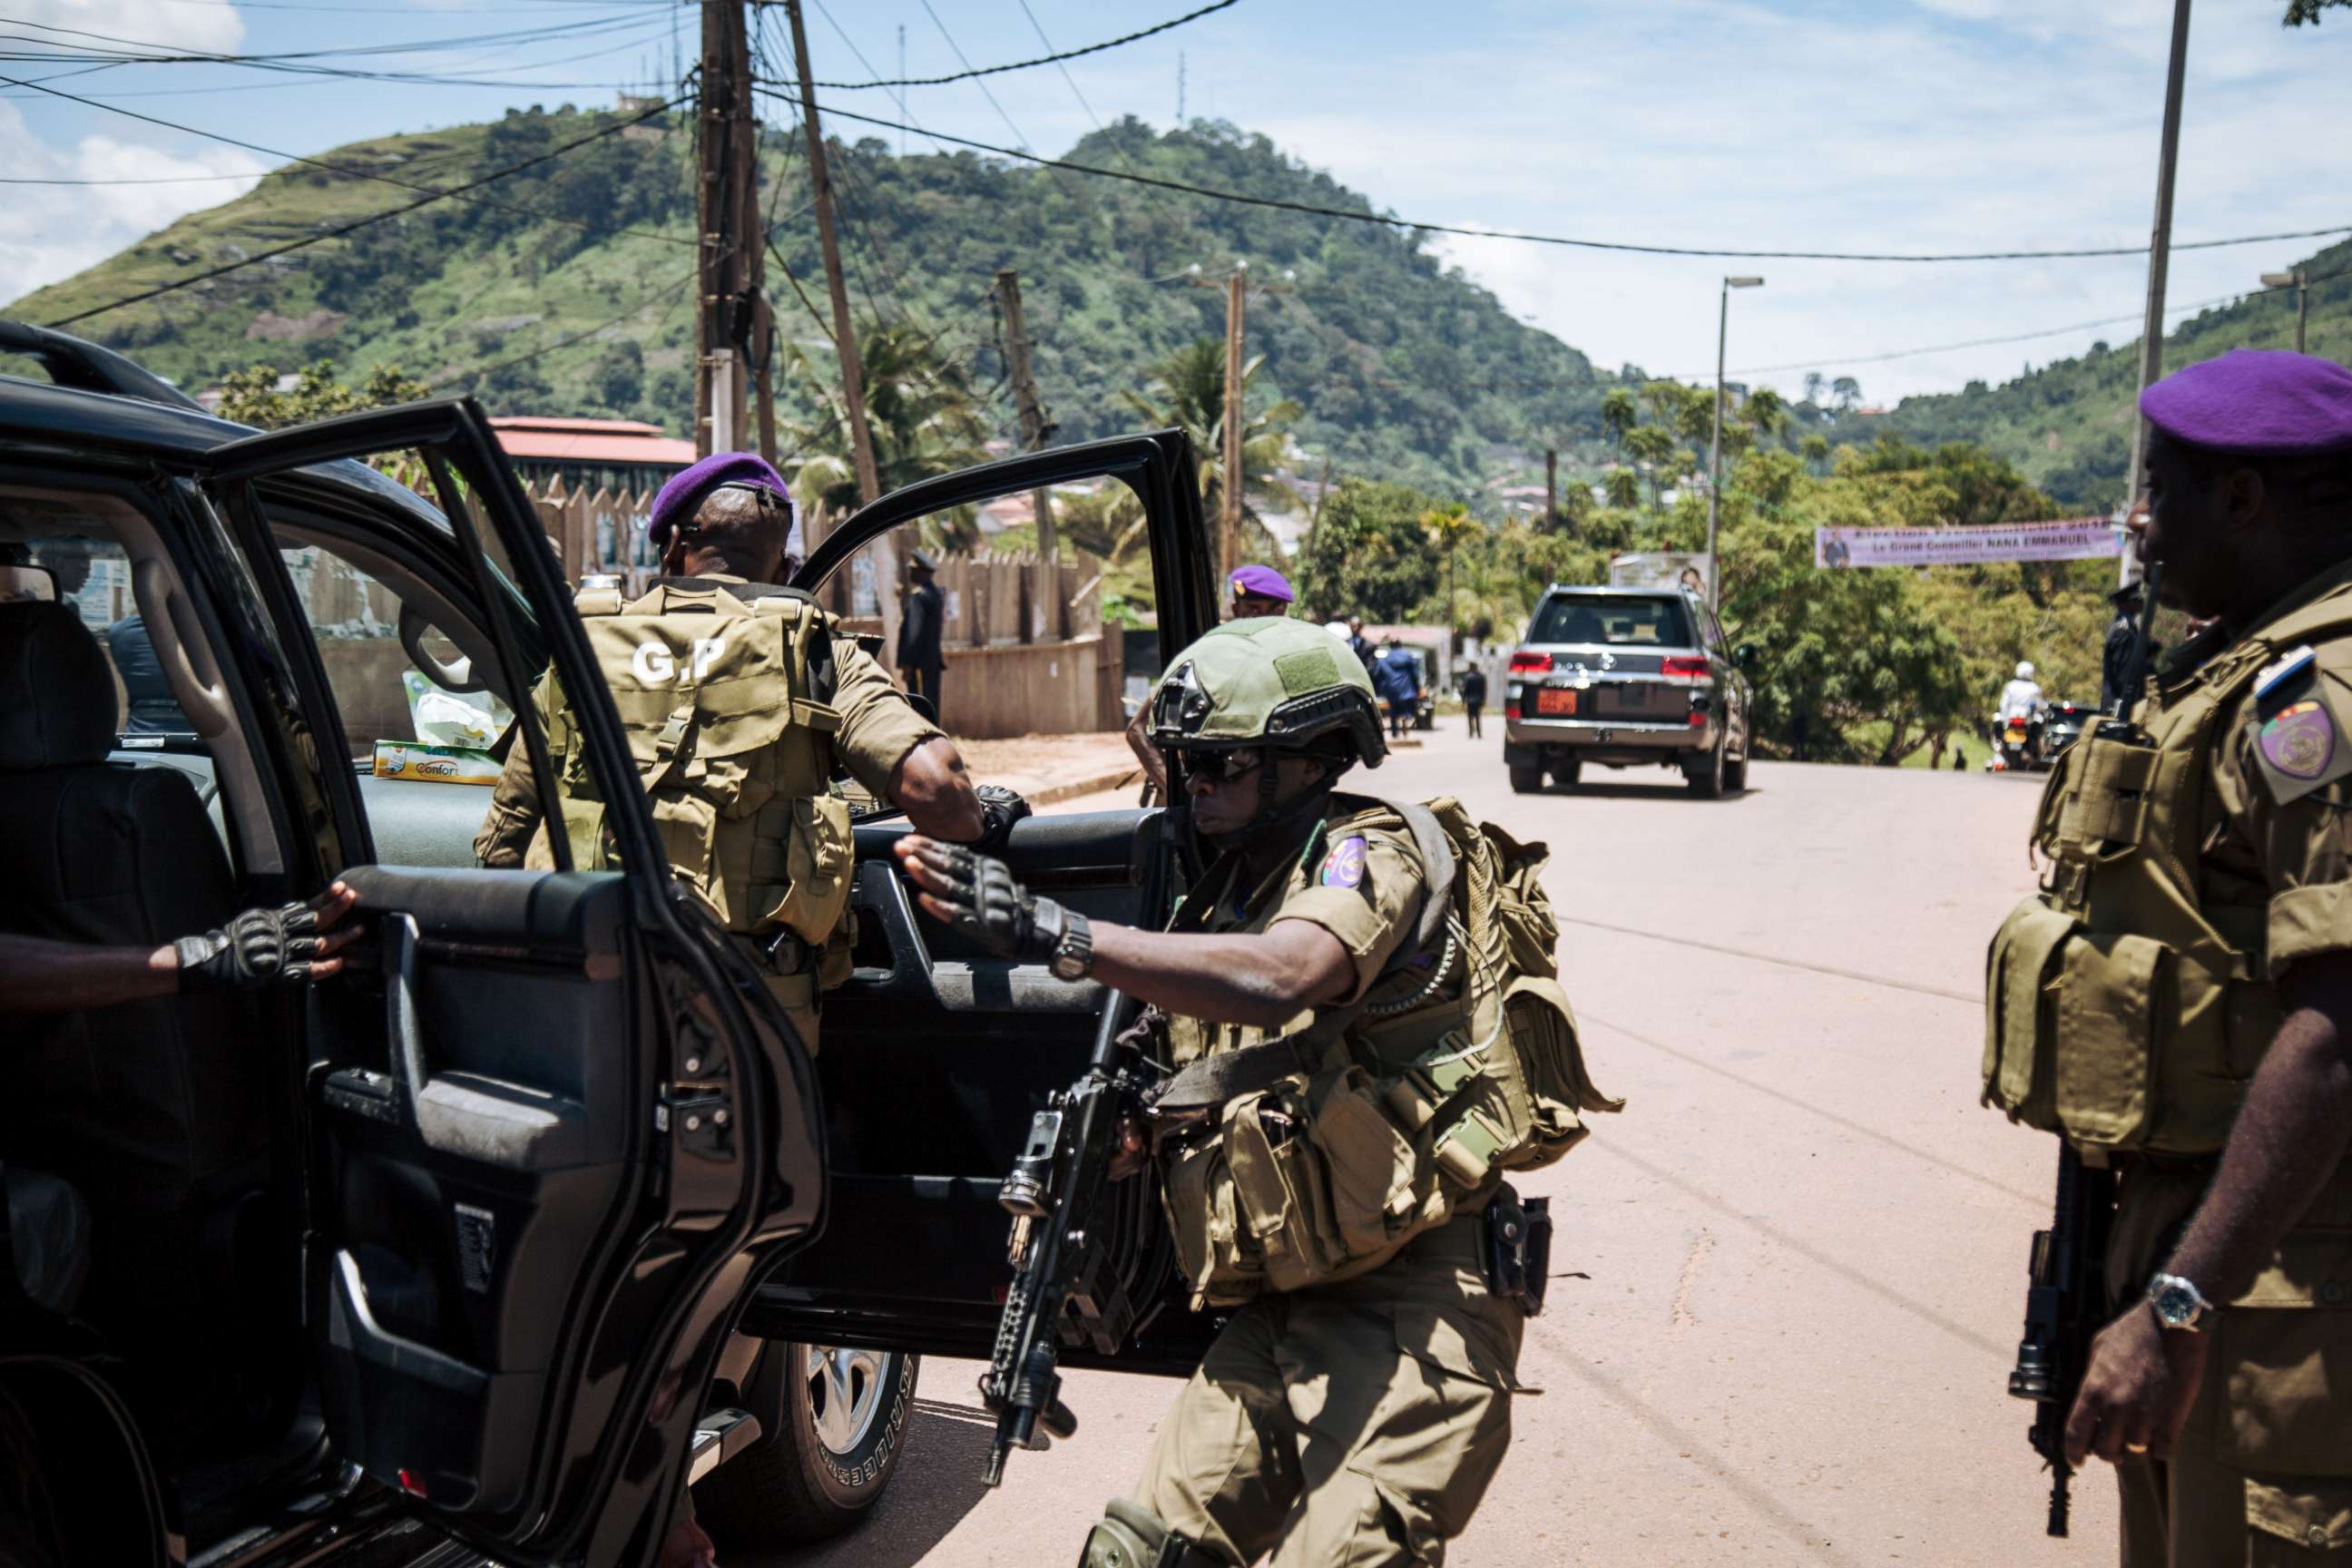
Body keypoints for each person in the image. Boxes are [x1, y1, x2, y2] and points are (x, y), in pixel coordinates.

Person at [892, 618, 1526, 1567]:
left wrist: (1058, 933)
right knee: (1135, 1557)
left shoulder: (1369, 849)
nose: (1198, 785)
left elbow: (1286, 973)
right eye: (1189, 763)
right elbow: (1199, 1061)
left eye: (1223, 763)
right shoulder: (1218, 900)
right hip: (1278, 1310)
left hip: (1416, 1297)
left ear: (1310, 757)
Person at [1978, 349, 2352, 1566]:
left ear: (2244, 501)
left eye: (2160, 490)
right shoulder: (2231, 667)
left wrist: (2181, 1305)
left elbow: (2341, 1021)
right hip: (2217, 1262)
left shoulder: (2314, 704)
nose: (2138, 522)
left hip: (2282, 1288)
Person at [475, 451, 1004, 1052]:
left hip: (587, 996)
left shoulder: (585, 644)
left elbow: (503, 844)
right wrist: (987, 815)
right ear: (782, 565)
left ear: (672, 545)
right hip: (747, 1017)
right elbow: (942, 798)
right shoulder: (813, 652)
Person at [1124, 564, 1297, 803]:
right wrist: (1181, 794)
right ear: (1237, 611)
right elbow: (1137, 730)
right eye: (1254, 609)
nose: (1263, 619)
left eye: (1274, 611)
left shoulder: (1291, 663)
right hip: (1203, 808)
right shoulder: (1209, 656)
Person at [898, 548, 947, 723]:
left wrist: (908, 664)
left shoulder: (919, 597)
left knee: (919, 704)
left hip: (919, 662)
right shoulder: (935, 594)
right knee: (931, 702)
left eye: (913, 570)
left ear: (921, 572)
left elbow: (914, 633)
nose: (910, 573)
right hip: (932, 659)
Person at [2101, 577, 2147, 712]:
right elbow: (2123, 675)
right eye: (2136, 600)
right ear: (2124, 604)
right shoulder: (2123, 631)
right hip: (2119, 705)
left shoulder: (2130, 628)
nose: (2141, 603)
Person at [1373, 636, 1421, 737]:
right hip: (1406, 687)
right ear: (1400, 644)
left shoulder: (1385, 659)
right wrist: (1417, 688)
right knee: (1407, 709)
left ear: (1390, 645)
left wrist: (1379, 688)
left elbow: (1377, 674)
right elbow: (1415, 674)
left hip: (1391, 688)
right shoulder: (1408, 656)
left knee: (1393, 710)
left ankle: (1395, 731)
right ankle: (1406, 719)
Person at [1997, 659, 2043, 727]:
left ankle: (1998, 737)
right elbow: (2039, 705)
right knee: (2040, 720)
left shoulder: (2010, 685)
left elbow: (2004, 703)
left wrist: (2004, 717)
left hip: (2010, 717)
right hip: (2027, 719)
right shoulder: (2035, 688)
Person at [1461, 661, 1487, 738]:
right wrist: (1483, 700)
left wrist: (1463, 701)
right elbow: (1484, 690)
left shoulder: (1469, 677)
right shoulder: (1481, 677)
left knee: (1470, 717)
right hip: (1478, 700)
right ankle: (1479, 733)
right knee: (1478, 716)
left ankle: (1471, 732)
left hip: (1470, 700)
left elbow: (1466, 690)